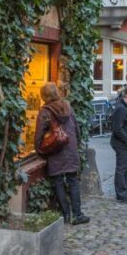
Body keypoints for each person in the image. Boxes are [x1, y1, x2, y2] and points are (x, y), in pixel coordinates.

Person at [35, 83, 90, 224]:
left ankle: (66, 215)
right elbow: (77, 128)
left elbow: (39, 135)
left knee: (58, 182)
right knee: (73, 181)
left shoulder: (45, 111)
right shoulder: (67, 106)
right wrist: (75, 144)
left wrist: (40, 150)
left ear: (44, 96)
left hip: (56, 150)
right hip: (70, 148)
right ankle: (78, 215)